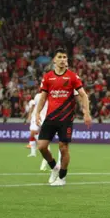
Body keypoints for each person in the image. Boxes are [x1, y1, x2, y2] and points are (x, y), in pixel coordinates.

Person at [36, 48, 92, 186]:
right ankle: (54, 167)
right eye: (59, 57)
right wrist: (37, 112)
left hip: (65, 119)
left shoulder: (72, 77)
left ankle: (62, 178)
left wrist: (86, 112)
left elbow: (83, 95)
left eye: (64, 57)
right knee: (42, 147)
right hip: (50, 117)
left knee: (63, 147)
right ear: (54, 60)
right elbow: (43, 98)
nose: (62, 59)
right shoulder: (48, 77)